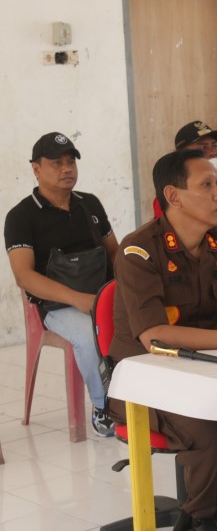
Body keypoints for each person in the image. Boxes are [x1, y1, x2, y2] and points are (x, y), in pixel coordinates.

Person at [109, 149, 217, 531]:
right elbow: (155, 337)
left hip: (212, 369)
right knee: (212, 433)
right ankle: (202, 519)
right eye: (206, 185)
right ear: (173, 196)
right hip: (144, 377)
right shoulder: (138, 250)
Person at [5, 133, 118, 438]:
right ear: (36, 169)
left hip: (99, 295)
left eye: (71, 162)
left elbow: (114, 253)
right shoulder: (21, 217)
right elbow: (24, 277)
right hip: (55, 305)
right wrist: (77, 299)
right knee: (88, 334)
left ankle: (141, 400)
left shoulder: (89, 204)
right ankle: (104, 408)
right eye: (57, 163)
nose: (67, 168)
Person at [153, 120, 217, 240]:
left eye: (215, 146)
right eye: (203, 148)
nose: (212, 153)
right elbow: (165, 238)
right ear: (181, 154)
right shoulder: (172, 195)